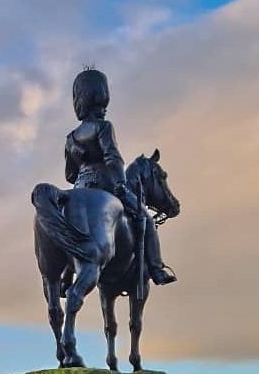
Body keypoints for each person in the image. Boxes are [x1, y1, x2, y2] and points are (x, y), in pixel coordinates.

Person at [65, 68, 176, 285]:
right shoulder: (104, 127)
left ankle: (65, 277)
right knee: (145, 218)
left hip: (79, 188)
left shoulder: (71, 138)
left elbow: (70, 174)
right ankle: (156, 269)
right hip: (107, 186)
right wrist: (121, 184)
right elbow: (113, 158)